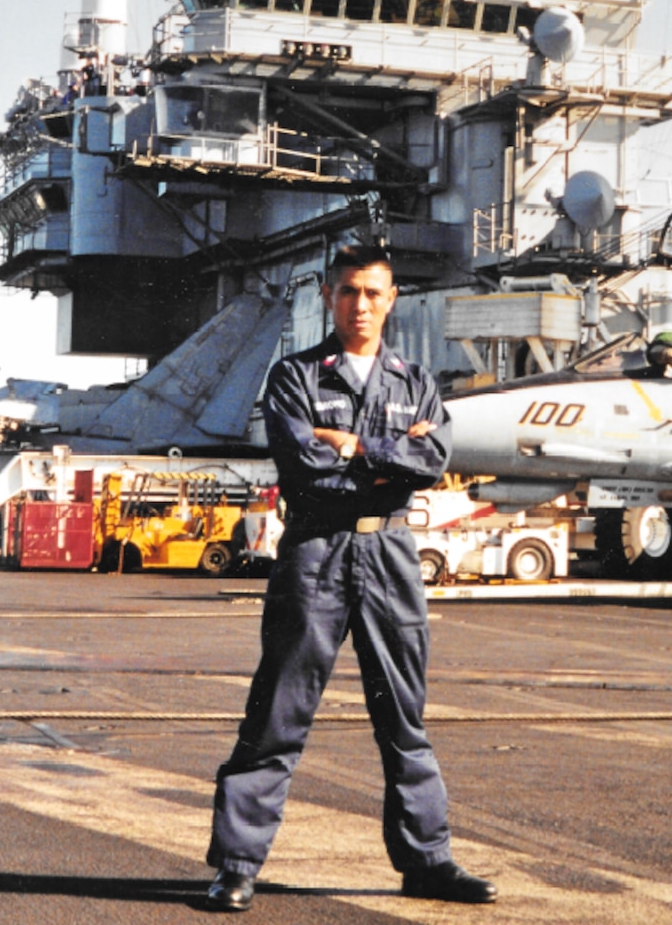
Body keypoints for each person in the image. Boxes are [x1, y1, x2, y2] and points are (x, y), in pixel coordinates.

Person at [206, 245, 497, 912]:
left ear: (391, 300)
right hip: (316, 553)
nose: (359, 305)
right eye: (347, 292)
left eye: (372, 293)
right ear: (327, 298)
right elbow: (304, 465)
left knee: (404, 716)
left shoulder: (415, 380)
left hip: (391, 557)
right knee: (278, 712)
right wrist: (385, 462)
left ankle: (427, 863)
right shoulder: (296, 377)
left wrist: (355, 446)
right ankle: (237, 865)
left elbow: (432, 462)